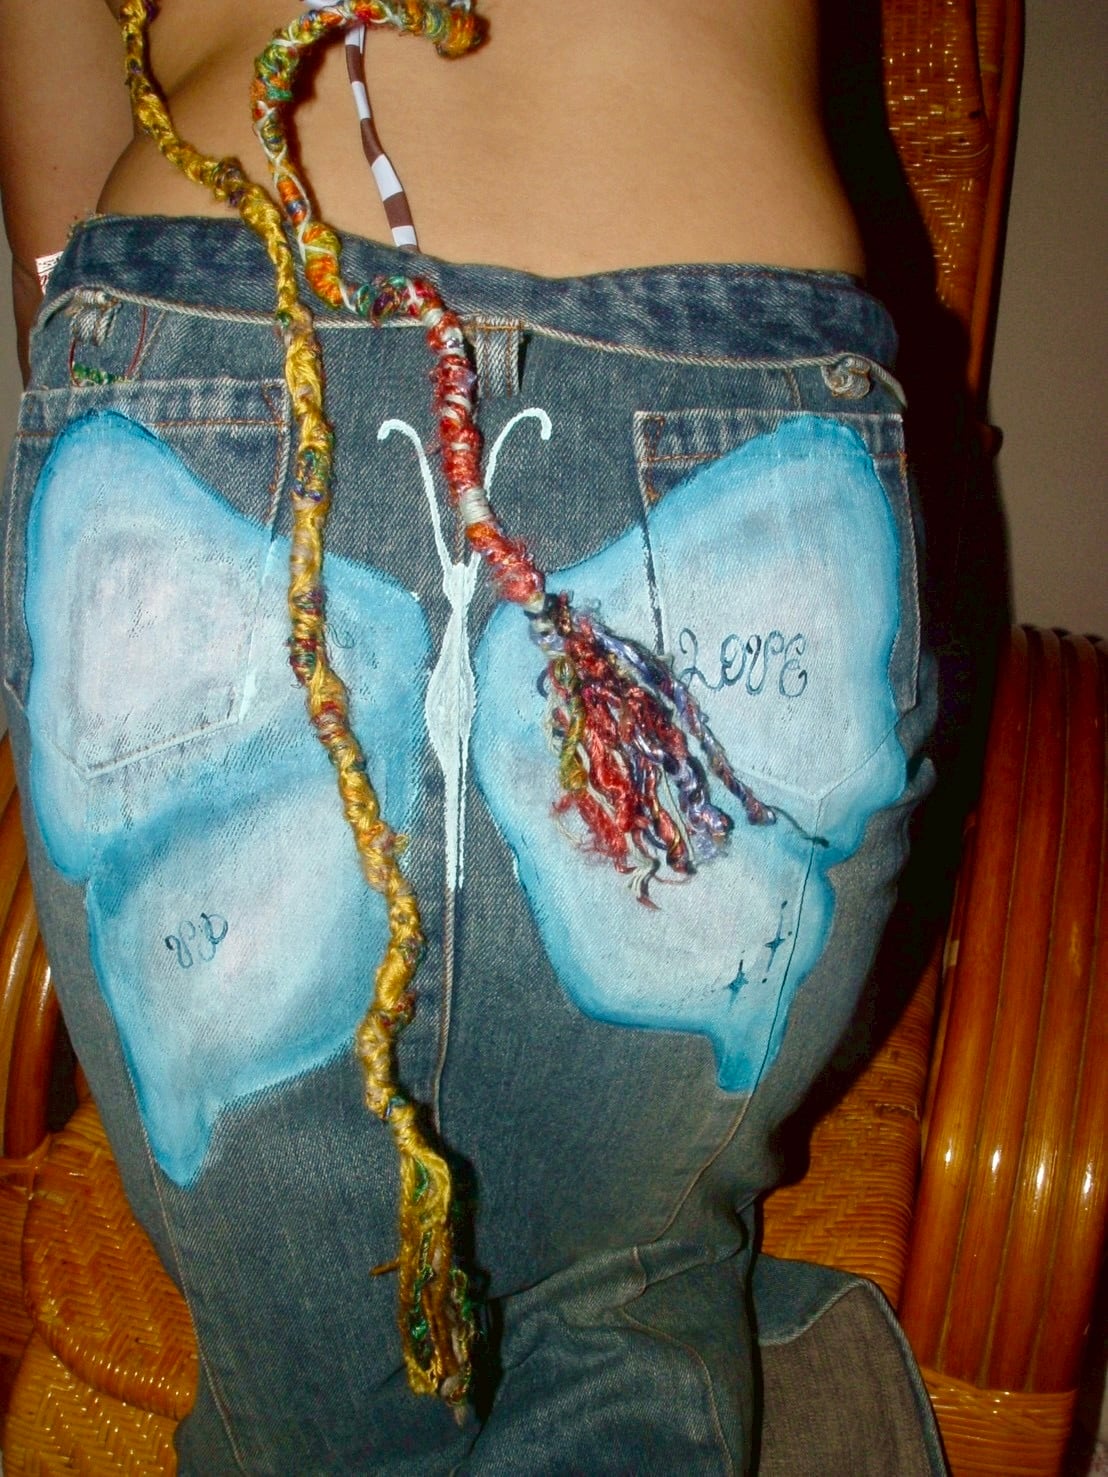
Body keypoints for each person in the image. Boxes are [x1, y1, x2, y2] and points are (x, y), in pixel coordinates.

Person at [0, 2, 943, 1470]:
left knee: (311, 1386)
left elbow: (58, 128)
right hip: (737, 392)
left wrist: (113, 401)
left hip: (215, 365)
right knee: (625, 1315)